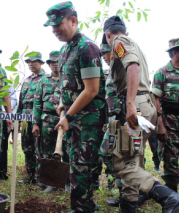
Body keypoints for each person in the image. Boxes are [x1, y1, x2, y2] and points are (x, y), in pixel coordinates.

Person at [104, 16, 179, 212]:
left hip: (136, 106)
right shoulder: (132, 42)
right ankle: (128, 205)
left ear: (108, 34)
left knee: (121, 164)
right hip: (145, 104)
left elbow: (132, 67)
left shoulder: (118, 42)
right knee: (133, 159)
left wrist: (131, 104)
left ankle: (168, 197)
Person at [44, 2, 106, 212]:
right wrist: (62, 102)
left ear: (73, 21)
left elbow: (91, 90)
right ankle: (86, 204)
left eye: (58, 24)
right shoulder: (64, 50)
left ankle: (81, 208)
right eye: (51, 27)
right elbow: (67, 83)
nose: (54, 30)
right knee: (77, 165)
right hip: (73, 117)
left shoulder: (87, 48)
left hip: (88, 119)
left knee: (81, 168)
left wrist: (68, 116)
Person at [153, 37, 179, 192]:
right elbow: (156, 101)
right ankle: (172, 202)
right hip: (170, 125)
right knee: (171, 167)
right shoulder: (162, 73)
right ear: (175, 52)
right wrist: (160, 126)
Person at [32, 51, 61, 192]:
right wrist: (35, 123)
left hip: (64, 121)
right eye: (52, 62)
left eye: (57, 62)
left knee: (65, 151)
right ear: (48, 64)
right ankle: (49, 181)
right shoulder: (43, 80)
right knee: (46, 152)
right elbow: (37, 102)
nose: (55, 65)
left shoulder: (68, 79)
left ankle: (63, 181)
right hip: (46, 121)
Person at [17, 52, 46, 184]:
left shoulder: (46, 78)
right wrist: (18, 120)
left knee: (40, 149)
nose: (30, 64)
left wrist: (38, 121)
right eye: (28, 62)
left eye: (34, 61)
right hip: (24, 119)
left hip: (38, 118)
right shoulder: (27, 80)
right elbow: (21, 102)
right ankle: (30, 175)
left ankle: (41, 177)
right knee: (27, 148)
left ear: (40, 62)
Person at [98, 42, 122, 196]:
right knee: (107, 152)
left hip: (123, 117)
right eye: (102, 54)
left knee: (117, 153)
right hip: (113, 119)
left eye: (106, 53)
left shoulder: (122, 69)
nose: (104, 57)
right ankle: (115, 181)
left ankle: (123, 186)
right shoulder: (110, 72)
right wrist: (107, 121)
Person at [0, 86, 17, 180]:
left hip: (4, 117)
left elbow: (13, 99)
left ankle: (2, 172)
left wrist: (4, 110)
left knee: (2, 146)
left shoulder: (6, 82)